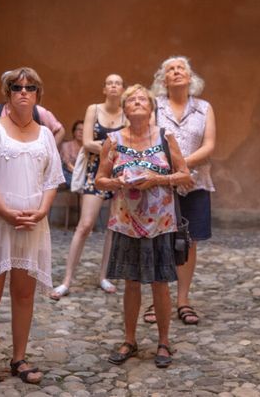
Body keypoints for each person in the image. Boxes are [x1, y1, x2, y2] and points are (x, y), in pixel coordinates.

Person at [0, 67, 64, 386]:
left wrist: (42, 211)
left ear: (38, 94)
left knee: (24, 293)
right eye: (17, 87)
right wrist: (6, 211)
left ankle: (19, 357)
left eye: (30, 87)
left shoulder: (46, 134)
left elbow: (53, 177)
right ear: (7, 93)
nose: (24, 91)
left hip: (32, 223)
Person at [95, 84, 192, 368]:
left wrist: (156, 179)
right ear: (124, 108)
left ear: (152, 108)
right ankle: (130, 339)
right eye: (131, 100)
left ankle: (163, 342)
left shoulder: (165, 137)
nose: (137, 102)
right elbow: (99, 179)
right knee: (131, 283)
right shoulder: (112, 140)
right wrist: (117, 182)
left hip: (161, 222)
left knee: (160, 284)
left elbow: (184, 174)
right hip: (127, 222)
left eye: (143, 99)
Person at [150, 56, 216, 326]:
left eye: (181, 69)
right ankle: (158, 300)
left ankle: (183, 300)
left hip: (196, 183)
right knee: (160, 240)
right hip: (160, 183)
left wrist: (183, 168)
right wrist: (176, 170)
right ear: (163, 80)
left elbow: (209, 145)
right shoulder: (155, 106)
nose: (176, 72)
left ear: (190, 78)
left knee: (189, 241)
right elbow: (148, 141)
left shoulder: (204, 107)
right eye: (170, 70)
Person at [51, 74, 126, 299]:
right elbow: (86, 143)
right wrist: (113, 146)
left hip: (120, 173)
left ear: (122, 89)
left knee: (113, 227)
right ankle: (66, 280)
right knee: (85, 225)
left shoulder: (126, 113)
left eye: (118, 83)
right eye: (110, 83)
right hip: (95, 171)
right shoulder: (94, 109)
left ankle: (104, 275)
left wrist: (103, 146)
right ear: (104, 88)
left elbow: (128, 143)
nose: (113, 86)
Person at [0, 94, 65, 144]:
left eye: (28, 88)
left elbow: (60, 131)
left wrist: (50, 151)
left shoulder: (39, 112)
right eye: (16, 88)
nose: (23, 91)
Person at [60, 120, 84, 186]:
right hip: (68, 174)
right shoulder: (66, 145)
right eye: (79, 129)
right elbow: (68, 165)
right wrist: (79, 175)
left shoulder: (87, 148)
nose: (81, 132)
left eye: (83, 130)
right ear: (74, 132)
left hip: (81, 175)